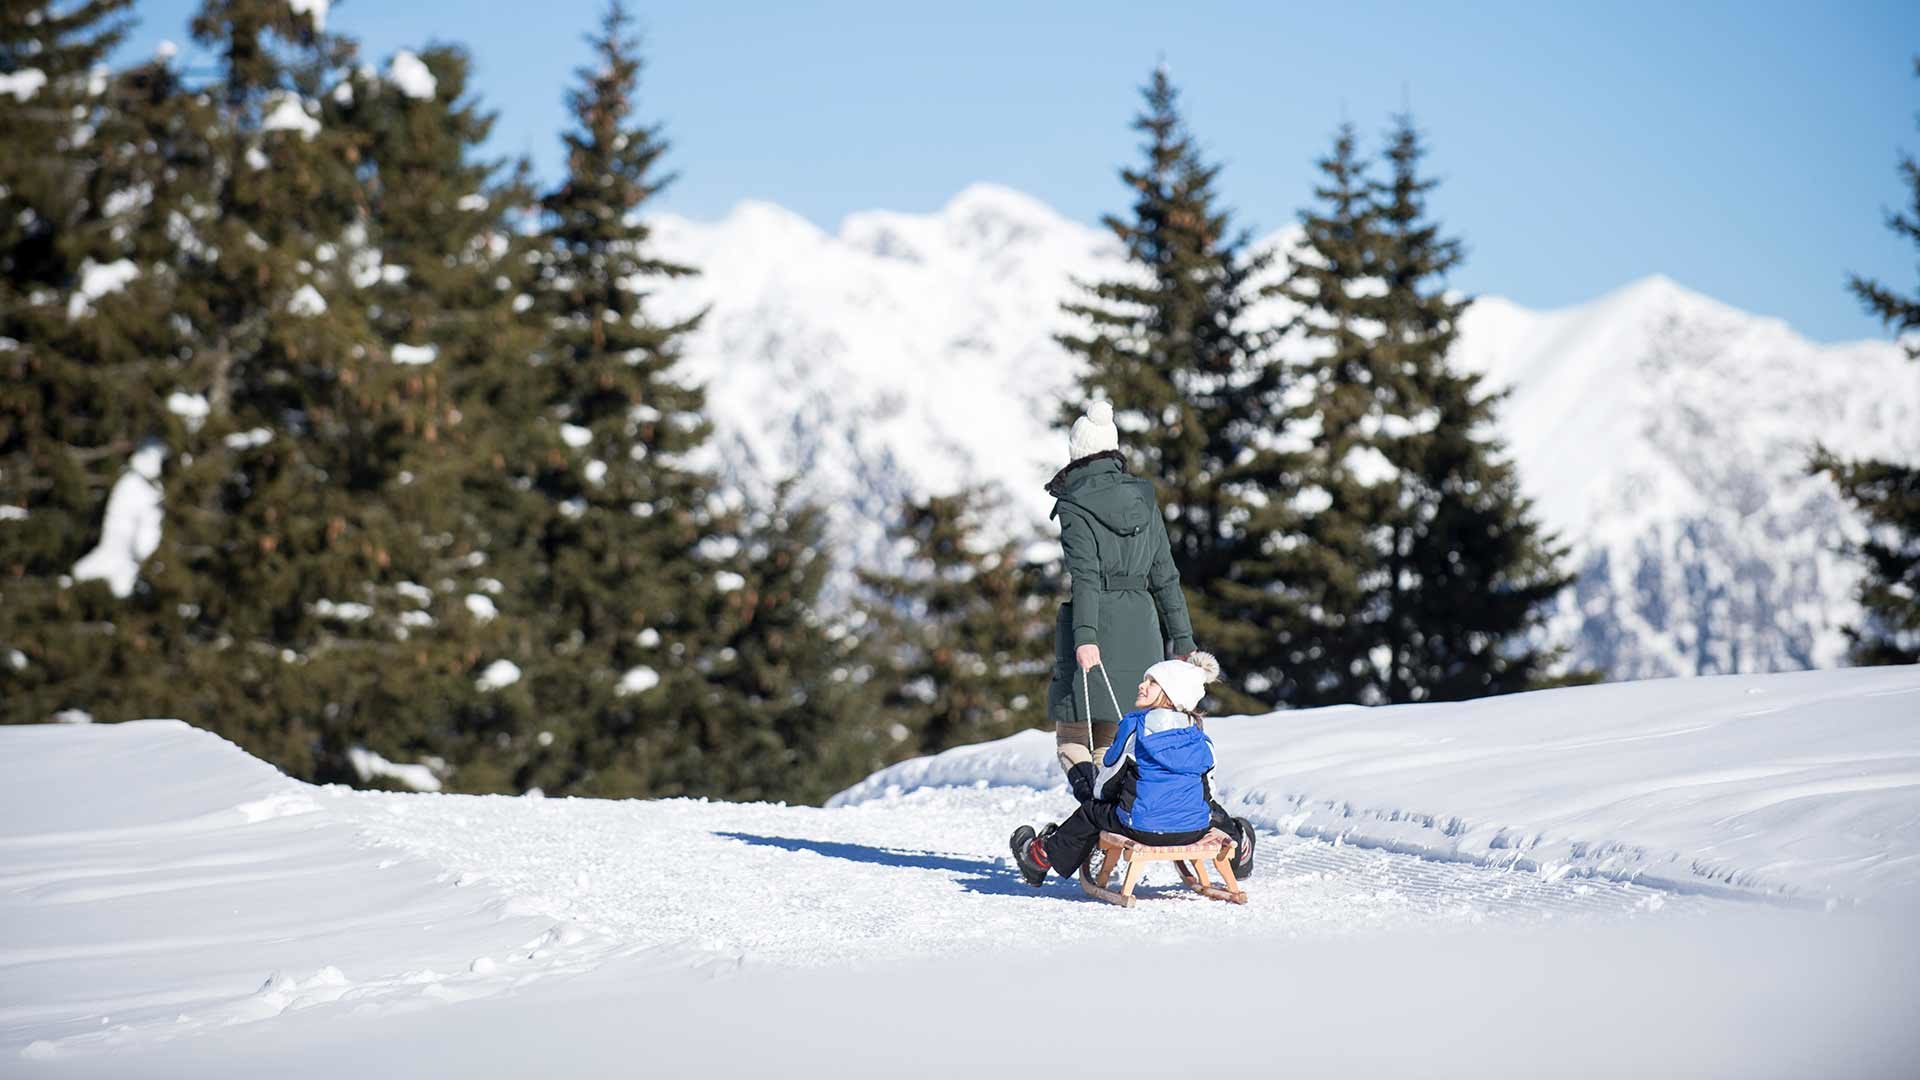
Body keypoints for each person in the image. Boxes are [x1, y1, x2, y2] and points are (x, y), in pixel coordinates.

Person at [1042, 400, 1255, 877]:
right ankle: (1217, 833)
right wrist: (1182, 638)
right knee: (1135, 738)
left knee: (1075, 737)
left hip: (1096, 627)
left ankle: (1102, 826)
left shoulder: (1074, 504)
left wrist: (1086, 635)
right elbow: (1165, 576)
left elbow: (1086, 578)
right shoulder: (1143, 498)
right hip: (1143, 627)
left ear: (1076, 453)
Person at [1011, 653, 1247, 885]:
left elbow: (1110, 776)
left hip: (1140, 829)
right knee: (1210, 809)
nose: (1142, 685)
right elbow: (1209, 789)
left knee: (1092, 812)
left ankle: (1038, 857)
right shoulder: (1201, 739)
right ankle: (1241, 853)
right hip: (1193, 830)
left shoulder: (1135, 728)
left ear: (1171, 693)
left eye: (1152, 682)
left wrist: (1102, 798)